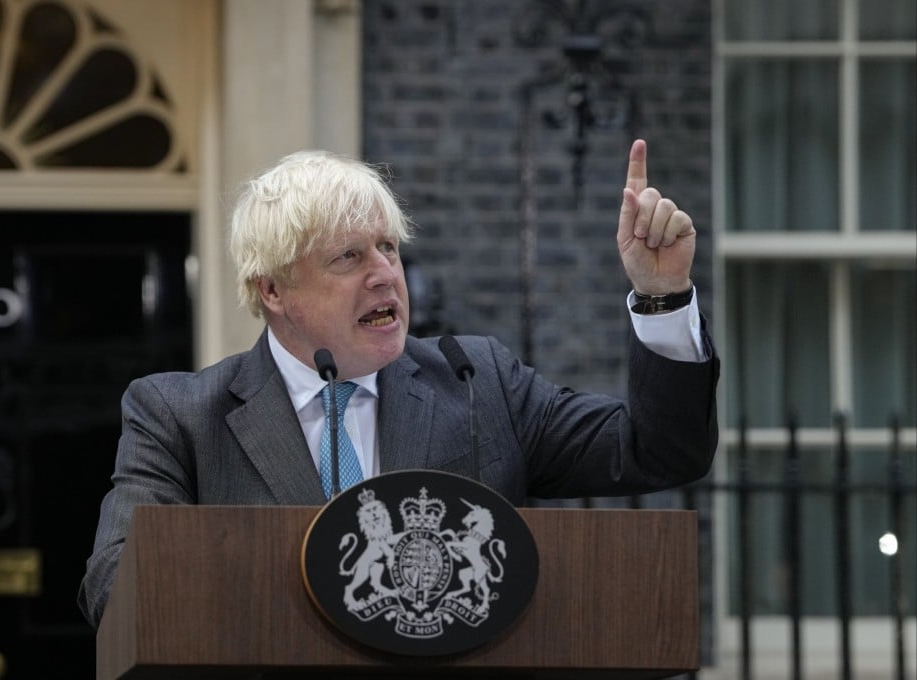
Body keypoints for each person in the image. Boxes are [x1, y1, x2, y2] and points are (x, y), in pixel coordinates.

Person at [78, 141, 719, 629]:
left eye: (389, 248)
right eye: (348, 258)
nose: (385, 274)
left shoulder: (479, 384)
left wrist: (661, 295)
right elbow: (116, 584)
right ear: (272, 291)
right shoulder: (180, 417)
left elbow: (659, 450)